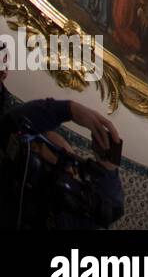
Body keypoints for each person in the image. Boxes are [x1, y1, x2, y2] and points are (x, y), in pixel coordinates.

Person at [0, 97, 123, 229]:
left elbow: (111, 211)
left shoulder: (67, 211)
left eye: (70, 164)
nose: (69, 169)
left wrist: (108, 170)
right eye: (61, 156)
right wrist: (69, 110)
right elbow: (11, 123)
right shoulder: (13, 170)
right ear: (34, 149)